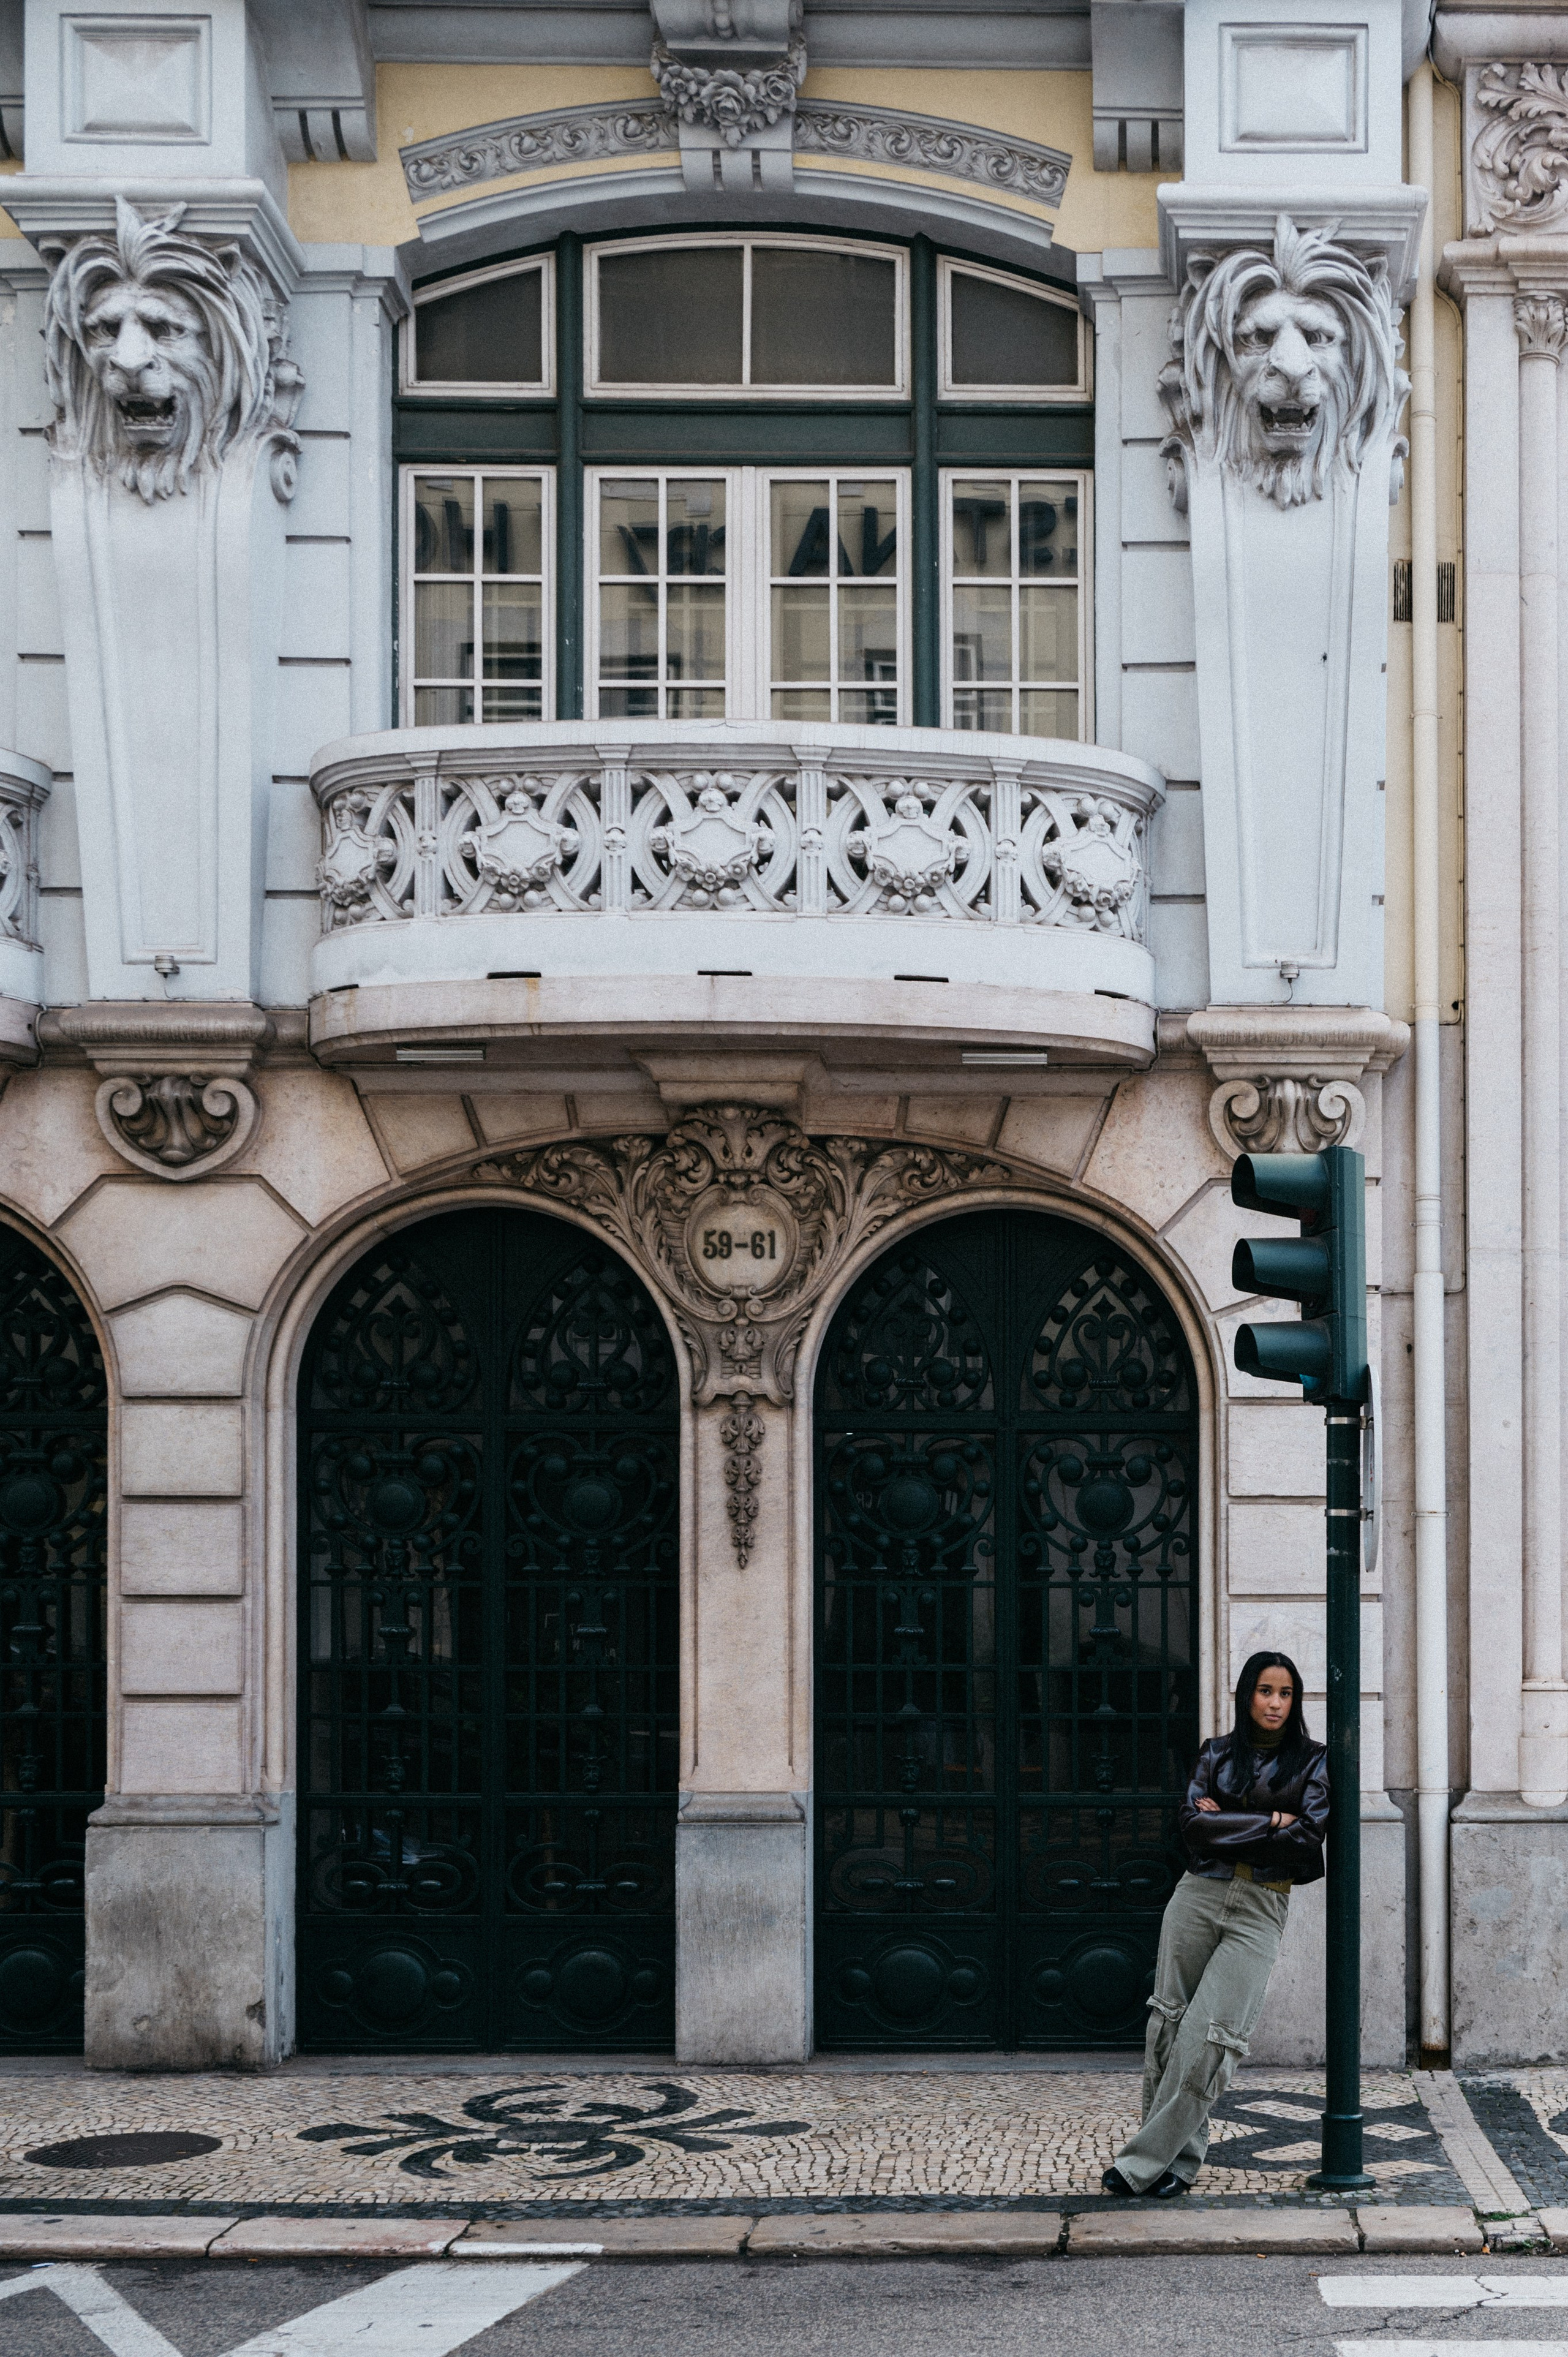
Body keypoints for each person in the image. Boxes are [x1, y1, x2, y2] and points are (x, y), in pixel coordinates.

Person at [1101, 1650, 1329, 2198]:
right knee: (1168, 2027)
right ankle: (1178, 2165)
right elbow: (1192, 1829)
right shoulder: (1215, 1754)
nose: (1275, 1703)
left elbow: (1310, 1837)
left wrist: (1225, 1820)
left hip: (1261, 1906)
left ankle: (1139, 2164)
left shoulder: (1316, 1761)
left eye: (1286, 1693)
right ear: (1246, 1695)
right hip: (1198, 1895)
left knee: (1212, 2039)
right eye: (1265, 1691)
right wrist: (1275, 1819)